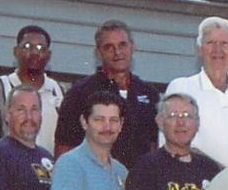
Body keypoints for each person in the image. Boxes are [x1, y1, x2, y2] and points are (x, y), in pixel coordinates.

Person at [55, 20, 164, 165]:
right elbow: (64, 146)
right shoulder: (80, 93)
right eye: (109, 47)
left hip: (138, 182)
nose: (117, 52)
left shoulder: (149, 93)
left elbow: (153, 145)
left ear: (132, 47)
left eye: (122, 45)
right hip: (95, 181)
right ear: (98, 52)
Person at [163, 16, 228, 169]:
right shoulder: (181, 88)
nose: (217, 50)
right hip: (197, 182)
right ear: (199, 50)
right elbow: (173, 143)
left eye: (224, 43)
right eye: (210, 43)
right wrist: (220, 172)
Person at [0, 23, 64, 156]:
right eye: (27, 47)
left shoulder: (59, 92)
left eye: (40, 48)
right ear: (16, 51)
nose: (34, 52)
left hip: (49, 174)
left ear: (48, 55)